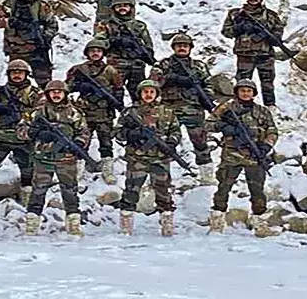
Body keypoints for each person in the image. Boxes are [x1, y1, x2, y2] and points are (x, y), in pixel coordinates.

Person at [210, 78, 279, 237]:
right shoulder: (226, 108)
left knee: (257, 192)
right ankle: (217, 223)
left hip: (255, 156)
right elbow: (209, 124)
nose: (246, 93)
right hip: (231, 155)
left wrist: (266, 146)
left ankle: (260, 224)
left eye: (249, 91)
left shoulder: (262, 111)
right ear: (237, 92)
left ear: (254, 93)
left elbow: (273, 131)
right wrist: (225, 127)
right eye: (242, 90)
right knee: (223, 188)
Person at [22, 79, 91, 236]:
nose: (56, 95)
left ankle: (73, 222)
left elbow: (84, 132)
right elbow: (22, 130)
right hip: (43, 159)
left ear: (65, 94)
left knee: (70, 191)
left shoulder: (74, 113)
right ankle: (32, 223)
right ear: (48, 94)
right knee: (38, 191)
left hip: (66, 159)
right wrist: (36, 133)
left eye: (59, 92)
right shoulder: (38, 112)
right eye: (53, 92)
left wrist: (79, 144)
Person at [116, 79, 181, 237]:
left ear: (156, 94)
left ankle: (166, 221)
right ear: (140, 94)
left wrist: (171, 142)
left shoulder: (167, 112)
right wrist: (131, 134)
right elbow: (117, 133)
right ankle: (126, 224)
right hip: (137, 158)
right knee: (131, 191)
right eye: (145, 92)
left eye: (152, 92)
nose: (148, 95)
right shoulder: (130, 112)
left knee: (163, 190)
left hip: (160, 158)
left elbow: (176, 131)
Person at [152, 33, 216, 184]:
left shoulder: (199, 66)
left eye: (185, 46)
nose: (182, 48)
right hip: (169, 110)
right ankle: (160, 179)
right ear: (174, 48)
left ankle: (206, 175)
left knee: (200, 142)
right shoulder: (163, 65)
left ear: (190, 48)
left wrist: (206, 98)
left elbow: (208, 84)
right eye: (179, 45)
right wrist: (172, 78)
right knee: (165, 143)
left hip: (193, 110)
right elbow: (153, 83)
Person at [0, 59, 41, 205]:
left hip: (24, 140)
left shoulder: (34, 94)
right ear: (9, 74)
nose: (17, 75)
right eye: (14, 72)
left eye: (20, 72)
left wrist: (25, 117)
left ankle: (27, 197)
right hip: (0, 137)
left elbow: (40, 114)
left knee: (28, 170)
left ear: (26, 75)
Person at [65, 39, 124, 183]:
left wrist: (116, 103)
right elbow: (66, 88)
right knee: (81, 141)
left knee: (106, 141)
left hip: (104, 113)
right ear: (87, 54)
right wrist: (80, 86)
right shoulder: (79, 70)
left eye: (98, 51)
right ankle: (78, 171)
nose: (95, 53)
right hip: (84, 113)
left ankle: (107, 170)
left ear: (103, 53)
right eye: (92, 51)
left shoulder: (110, 71)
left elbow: (118, 89)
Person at [221, 0, 285, 107]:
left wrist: (268, 36)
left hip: (265, 55)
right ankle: (239, 109)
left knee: (267, 85)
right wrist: (239, 27)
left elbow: (278, 35)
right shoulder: (236, 14)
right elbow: (226, 32)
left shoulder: (271, 15)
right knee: (243, 84)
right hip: (245, 55)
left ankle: (270, 109)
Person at [0, 0, 58, 86]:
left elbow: (52, 24)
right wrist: (8, 22)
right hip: (16, 49)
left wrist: (45, 37)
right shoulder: (10, 4)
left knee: (44, 80)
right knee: (16, 80)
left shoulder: (41, 5)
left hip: (37, 48)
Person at [94, 0, 155, 105]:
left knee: (140, 94)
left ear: (130, 8)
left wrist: (139, 52)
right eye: (119, 6)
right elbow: (98, 43)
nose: (122, 8)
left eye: (125, 6)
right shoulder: (106, 25)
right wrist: (114, 41)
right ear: (113, 9)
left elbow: (148, 46)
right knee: (114, 94)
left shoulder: (139, 26)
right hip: (116, 63)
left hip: (136, 64)